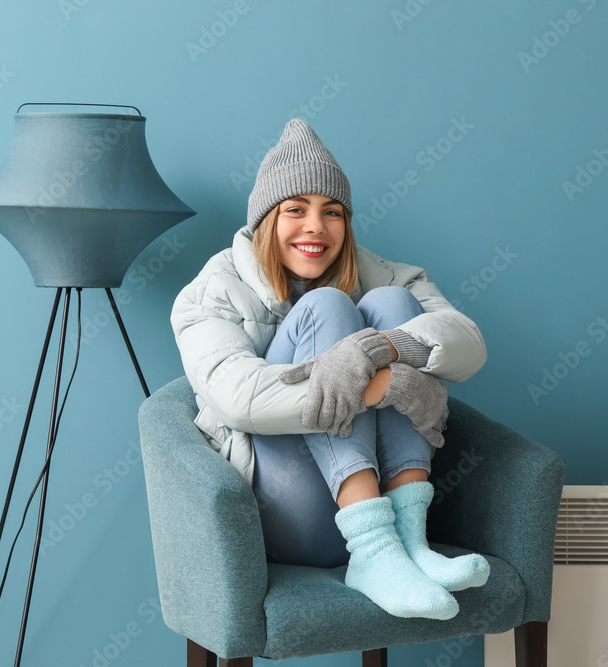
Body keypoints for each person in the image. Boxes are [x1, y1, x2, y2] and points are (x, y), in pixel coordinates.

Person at [171, 119, 488, 620]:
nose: (316, 226)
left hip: (388, 497)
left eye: (332, 212)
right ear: (266, 221)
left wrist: (385, 345)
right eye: (295, 209)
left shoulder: (375, 270)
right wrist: (386, 384)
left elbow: (468, 343)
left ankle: (409, 542)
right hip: (291, 513)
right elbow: (238, 397)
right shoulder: (212, 289)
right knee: (328, 307)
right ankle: (373, 552)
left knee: (392, 302)